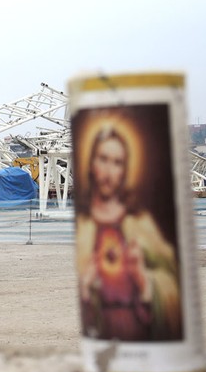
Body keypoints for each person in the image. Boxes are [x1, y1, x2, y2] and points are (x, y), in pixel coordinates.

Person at [75, 123, 182, 341]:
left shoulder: (140, 223)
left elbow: (174, 279)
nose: (108, 171)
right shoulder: (84, 225)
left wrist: (145, 283)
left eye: (117, 163)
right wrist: (86, 288)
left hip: (141, 330)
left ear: (125, 170)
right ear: (91, 163)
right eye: (102, 159)